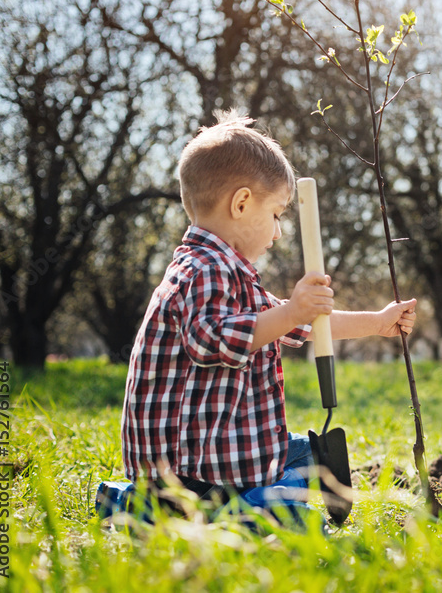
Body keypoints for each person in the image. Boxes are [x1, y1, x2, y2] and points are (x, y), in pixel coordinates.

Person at [121, 110, 417, 506]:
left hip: (216, 454)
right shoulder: (201, 271)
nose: (278, 232)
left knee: (309, 455)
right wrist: (291, 312)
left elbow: (308, 325)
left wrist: (377, 322)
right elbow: (211, 341)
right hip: (187, 473)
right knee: (291, 511)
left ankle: (277, 488)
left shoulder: (231, 273)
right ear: (242, 203)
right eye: (276, 214)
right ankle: (181, 505)